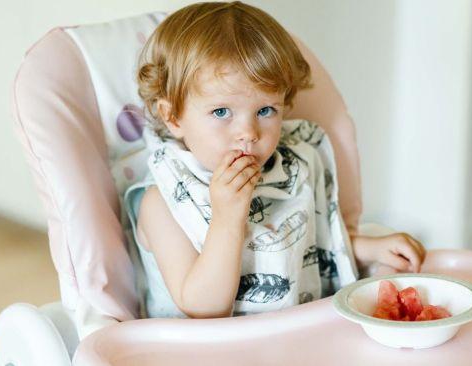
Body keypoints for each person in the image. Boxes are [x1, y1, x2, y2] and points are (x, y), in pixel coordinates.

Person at [125, 1, 426, 319]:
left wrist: (370, 248)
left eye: (265, 110)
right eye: (221, 112)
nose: (249, 133)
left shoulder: (292, 169)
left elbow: (314, 248)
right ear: (172, 116)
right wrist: (227, 220)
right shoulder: (162, 203)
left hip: (300, 339)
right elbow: (203, 308)